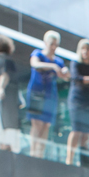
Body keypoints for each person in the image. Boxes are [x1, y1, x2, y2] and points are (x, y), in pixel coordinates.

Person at [26, 30, 68, 159]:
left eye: (56, 44)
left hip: (50, 95)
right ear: (45, 42)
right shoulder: (37, 54)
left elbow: (65, 76)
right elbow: (34, 64)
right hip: (36, 92)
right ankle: (33, 152)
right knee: (37, 123)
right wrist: (52, 67)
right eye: (51, 44)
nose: (54, 47)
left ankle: (40, 154)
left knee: (46, 125)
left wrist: (65, 71)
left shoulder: (59, 61)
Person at [66, 38, 89, 166]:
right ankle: (69, 160)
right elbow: (77, 78)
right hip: (77, 99)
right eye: (83, 49)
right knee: (76, 130)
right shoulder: (75, 64)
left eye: (87, 49)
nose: (85, 52)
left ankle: (83, 162)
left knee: (86, 133)